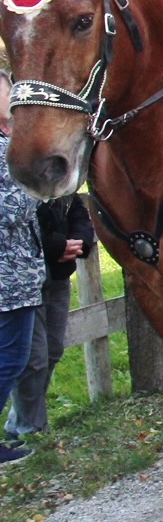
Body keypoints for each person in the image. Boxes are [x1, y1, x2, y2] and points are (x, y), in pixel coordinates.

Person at [4, 63, 91, 439]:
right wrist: (56, 244)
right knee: (28, 357)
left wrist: (80, 241)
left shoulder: (38, 143)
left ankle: (27, 422)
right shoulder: (16, 154)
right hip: (17, 275)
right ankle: (27, 427)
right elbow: (18, 209)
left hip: (51, 271)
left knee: (51, 349)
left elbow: (72, 202)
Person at [0, 81, 43, 463]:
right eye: (6, 92)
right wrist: (39, 185)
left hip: (21, 277)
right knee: (11, 359)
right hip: (7, 282)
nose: (13, 97)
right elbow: (9, 211)